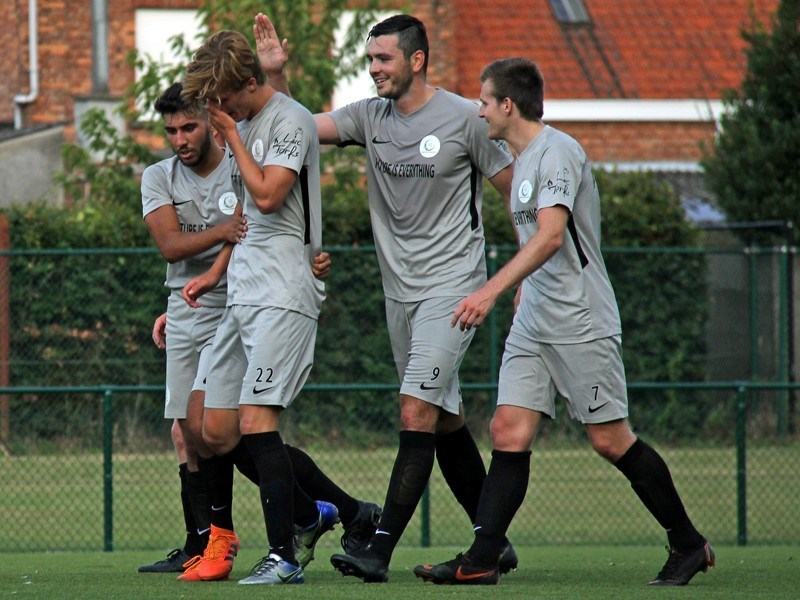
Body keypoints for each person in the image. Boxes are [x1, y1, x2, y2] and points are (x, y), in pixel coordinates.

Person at [412, 57, 715, 586]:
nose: (479, 110)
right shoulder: (519, 158)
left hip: (580, 320)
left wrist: (490, 289)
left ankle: (688, 543)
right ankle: (483, 558)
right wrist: (525, 287)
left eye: (484, 101)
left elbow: (552, 236)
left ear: (507, 105)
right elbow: (541, 245)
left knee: (610, 440)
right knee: (508, 430)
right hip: (535, 320)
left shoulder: (558, 152)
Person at [255, 13, 518, 583]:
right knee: (444, 420)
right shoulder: (368, 117)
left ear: (416, 60)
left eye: (383, 59)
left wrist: (517, 281)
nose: (373, 69)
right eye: (370, 60)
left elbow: (515, 197)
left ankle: (376, 551)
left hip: (453, 286)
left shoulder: (463, 119)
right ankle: (491, 540)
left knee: (414, 411)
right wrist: (276, 77)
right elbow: (294, 128)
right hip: (399, 291)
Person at [179, 29, 351, 585]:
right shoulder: (247, 117)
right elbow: (247, 220)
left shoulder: (283, 121)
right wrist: (215, 271)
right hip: (243, 292)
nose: (215, 112)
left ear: (247, 86)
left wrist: (232, 132)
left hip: (282, 293)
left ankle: (284, 556)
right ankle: (314, 511)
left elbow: (270, 195)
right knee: (209, 427)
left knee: (256, 421)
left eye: (222, 101)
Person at [138, 83, 249, 574]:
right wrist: (224, 232)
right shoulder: (159, 176)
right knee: (187, 431)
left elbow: (269, 226)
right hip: (186, 306)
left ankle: (316, 509)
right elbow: (170, 246)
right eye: (170, 131)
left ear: (210, 120)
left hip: (241, 306)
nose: (180, 139)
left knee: (226, 429)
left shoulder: (240, 165)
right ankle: (199, 541)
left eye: (188, 127)